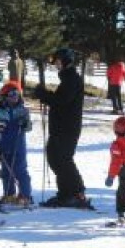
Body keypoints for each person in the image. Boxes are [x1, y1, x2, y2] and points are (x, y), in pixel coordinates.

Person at [34, 48, 89, 208]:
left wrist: (43, 95)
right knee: (54, 158)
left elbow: (62, 100)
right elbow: (60, 99)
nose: (56, 64)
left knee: (63, 160)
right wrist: (44, 94)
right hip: (60, 127)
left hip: (67, 128)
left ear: (66, 61)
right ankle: (65, 193)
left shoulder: (72, 79)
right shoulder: (67, 79)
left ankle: (77, 193)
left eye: (58, 61)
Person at [0, 82, 33, 206]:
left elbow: (28, 126)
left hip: (18, 145)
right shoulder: (1, 110)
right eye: (11, 94)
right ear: (5, 96)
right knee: (5, 171)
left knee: (20, 170)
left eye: (17, 94)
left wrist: (24, 123)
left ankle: (25, 195)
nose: (14, 97)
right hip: (4, 144)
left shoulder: (22, 110)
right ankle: (9, 193)